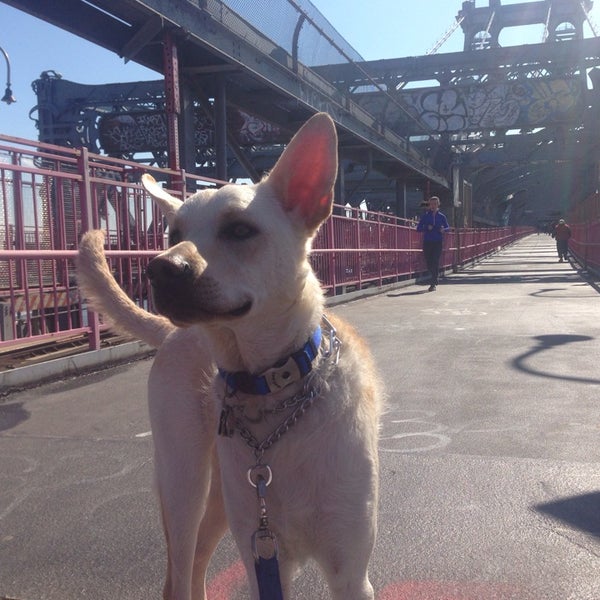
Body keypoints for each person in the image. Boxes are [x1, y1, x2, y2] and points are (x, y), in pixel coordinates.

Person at [416, 196, 450, 291]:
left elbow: (448, 228)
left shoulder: (442, 216)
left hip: (437, 242)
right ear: (429, 205)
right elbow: (418, 228)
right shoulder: (426, 216)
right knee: (428, 262)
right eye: (431, 204)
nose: (433, 206)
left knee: (435, 261)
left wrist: (443, 229)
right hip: (427, 242)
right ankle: (435, 277)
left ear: (438, 204)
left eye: (435, 204)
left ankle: (433, 283)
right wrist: (427, 228)